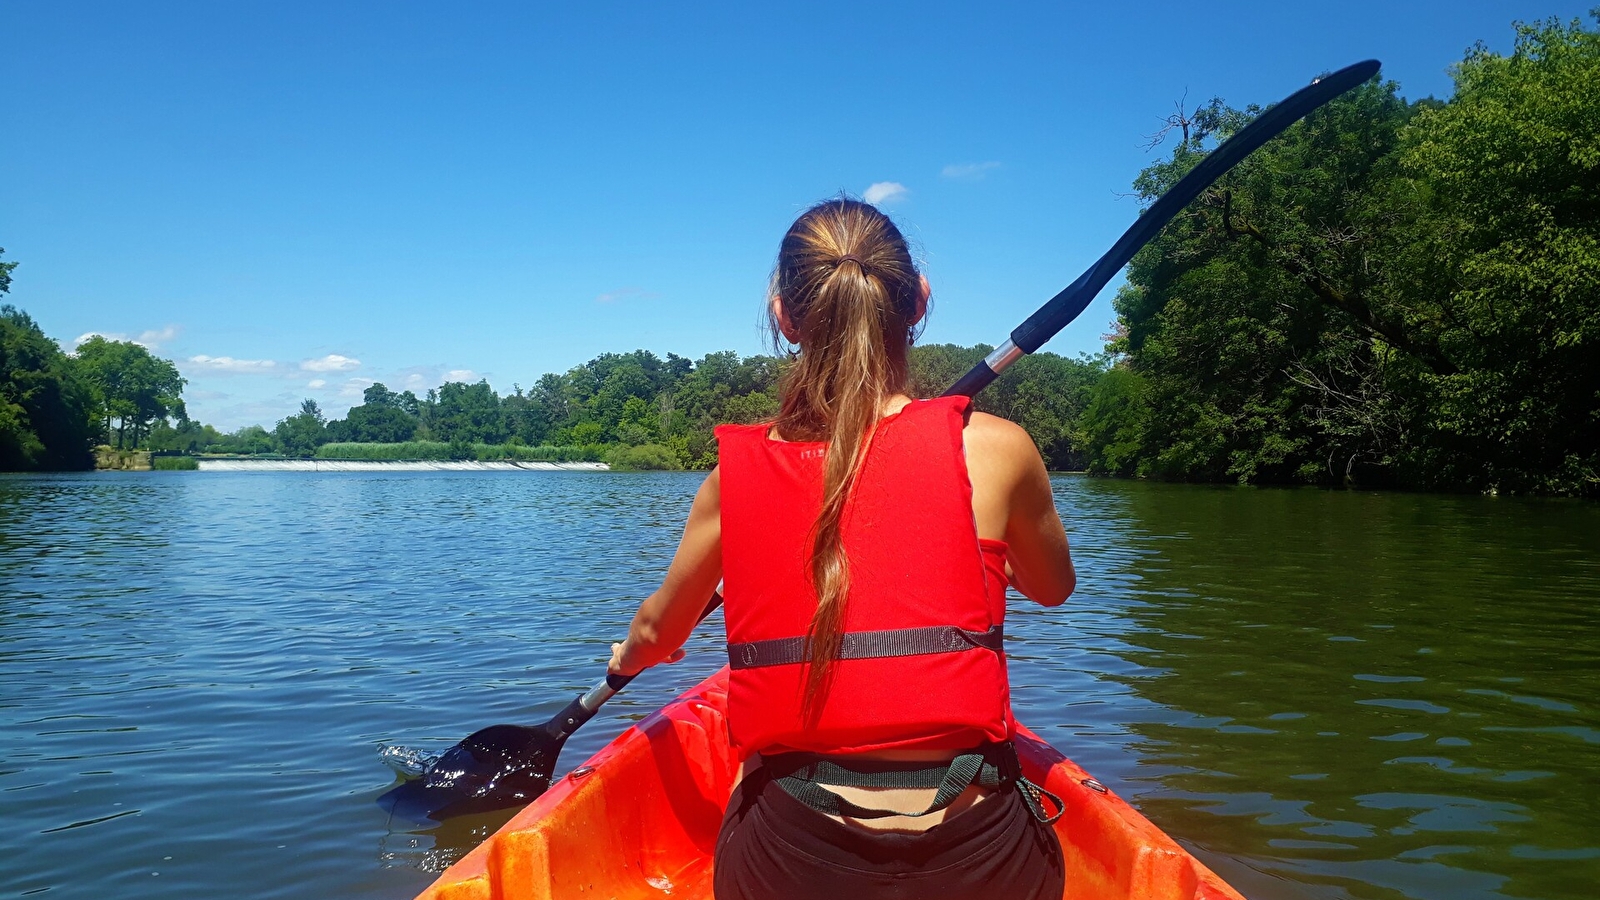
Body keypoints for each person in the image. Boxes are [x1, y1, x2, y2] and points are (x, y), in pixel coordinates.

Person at [608, 197, 1076, 899]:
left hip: (795, 859)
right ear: (918, 302)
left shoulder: (730, 481)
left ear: (783, 316)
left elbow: (658, 628)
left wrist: (632, 656)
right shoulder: (1000, 450)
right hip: (980, 858)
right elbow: (1053, 587)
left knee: (751, 772)